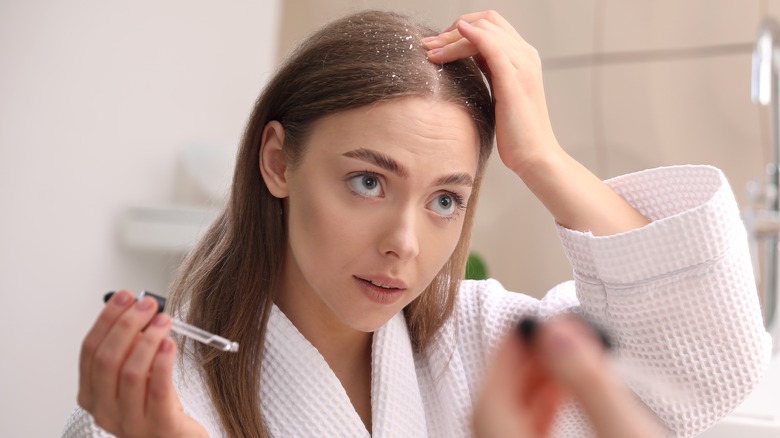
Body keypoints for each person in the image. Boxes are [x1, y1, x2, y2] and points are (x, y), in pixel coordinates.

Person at [63, 9, 770, 438]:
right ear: (277, 161)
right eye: (368, 182)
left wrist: (542, 158)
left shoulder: (477, 338)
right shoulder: (159, 404)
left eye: (445, 200)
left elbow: (700, 363)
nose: (405, 243)